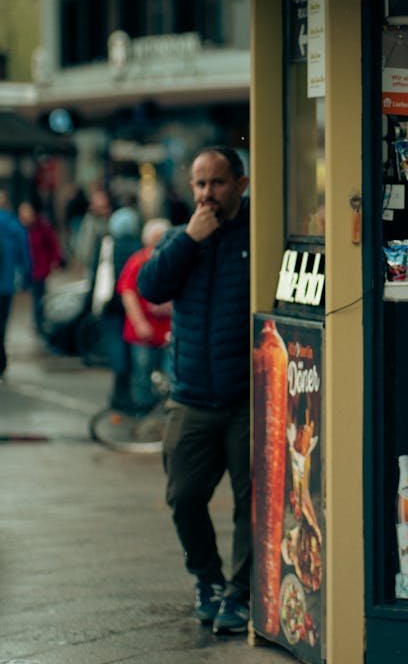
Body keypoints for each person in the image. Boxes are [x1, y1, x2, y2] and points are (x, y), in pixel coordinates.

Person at [138, 146, 250, 635]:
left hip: (247, 398)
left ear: (240, 185)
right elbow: (150, 287)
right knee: (183, 496)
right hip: (192, 398)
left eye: (217, 183)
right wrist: (188, 239)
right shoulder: (183, 236)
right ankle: (207, 578)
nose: (207, 194)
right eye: (200, 184)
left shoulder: (258, 233)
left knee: (253, 502)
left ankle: (242, 593)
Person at [117, 217, 172, 414]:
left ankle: (162, 414)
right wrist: (140, 322)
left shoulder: (172, 261)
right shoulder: (138, 261)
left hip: (167, 332)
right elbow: (128, 293)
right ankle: (143, 413)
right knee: (142, 375)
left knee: (169, 377)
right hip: (144, 332)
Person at [90, 206, 143, 404]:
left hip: (110, 304)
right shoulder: (138, 246)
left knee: (116, 347)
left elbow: (95, 276)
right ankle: (129, 394)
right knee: (131, 349)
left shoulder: (107, 245)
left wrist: (91, 305)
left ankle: (118, 394)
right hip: (132, 305)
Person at [18, 197, 63, 337]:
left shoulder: (42, 226)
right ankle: (39, 320)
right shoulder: (19, 229)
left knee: (39, 296)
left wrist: (55, 259)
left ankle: (40, 322)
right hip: (27, 269)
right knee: (34, 295)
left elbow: (52, 244)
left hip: (40, 267)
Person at [0, 192, 32, 378]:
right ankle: (1, 362)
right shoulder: (14, 225)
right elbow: (25, 256)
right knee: (2, 324)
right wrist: (26, 279)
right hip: (6, 284)